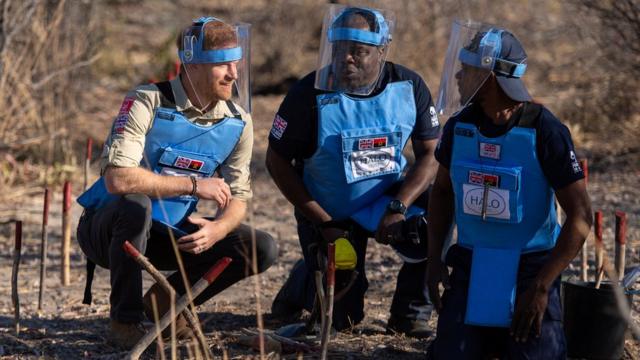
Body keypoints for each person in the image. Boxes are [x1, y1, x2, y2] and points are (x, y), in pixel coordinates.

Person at [76, 17, 277, 348]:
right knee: (136, 204)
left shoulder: (238, 123)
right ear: (192, 64)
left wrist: (218, 229)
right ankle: (124, 323)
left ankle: (164, 306)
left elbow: (239, 196)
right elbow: (118, 178)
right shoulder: (148, 101)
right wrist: (195, 186)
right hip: (110, 228)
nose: (233, 74)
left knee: (260, 247)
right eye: (222, 64)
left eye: (236, 63)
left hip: (170, 232)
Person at [267, 5, 440, 337]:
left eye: (358, 51)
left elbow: (430, 154)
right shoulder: (308, 93)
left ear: (381, 51)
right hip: (329, 208)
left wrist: (399, 207)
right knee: (343, 320)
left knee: (437, 217)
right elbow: (275, 163)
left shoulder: (408, 85)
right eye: (340, 49)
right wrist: (324, 222)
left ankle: (410, 314)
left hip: (386, 199)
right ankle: (302, 283)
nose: (346, 58)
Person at [426, 21, 592, 359]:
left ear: (490, 78)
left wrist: (542, 287)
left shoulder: (545, 130)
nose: (458, 77)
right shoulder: (461, 127)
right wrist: (434, 261)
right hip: (472, 263)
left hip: (531, 269)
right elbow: (441, 192)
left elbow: (580, 216)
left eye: (467, 69)